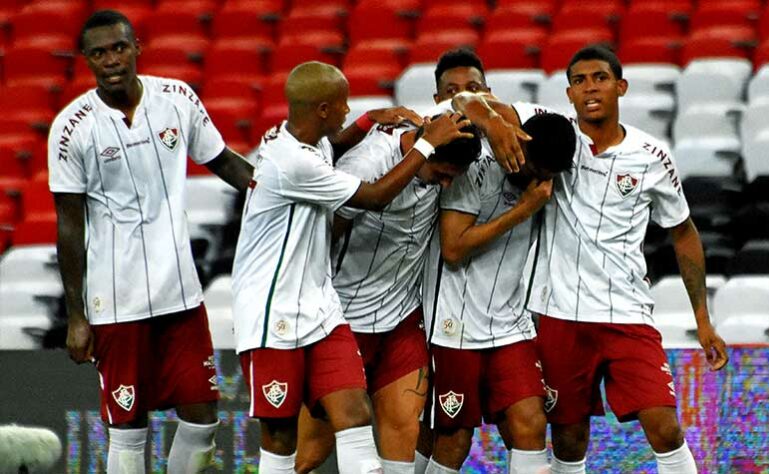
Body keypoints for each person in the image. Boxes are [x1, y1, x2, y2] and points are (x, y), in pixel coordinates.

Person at [453, 45, 730, 473]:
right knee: (568, 437)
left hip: (627, 314)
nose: (589, 88)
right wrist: (493, 123)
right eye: (579, 81)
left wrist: (703, 320)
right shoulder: (553, 131)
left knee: (664, 426)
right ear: (569, 94)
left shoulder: (652, 156)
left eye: (599, 78)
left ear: (620, 86)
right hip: (559, 313)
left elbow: (684, 233)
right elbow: (465, 99)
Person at [230, 61, 474, 473]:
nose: (446, 186)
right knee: (300, 451)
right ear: (322, 108)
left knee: (384, 427)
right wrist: (424, 147)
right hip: (295, 314)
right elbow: (373, 199)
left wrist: (368, 119)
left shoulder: (316, 144)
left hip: (378, 319)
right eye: (344, 105)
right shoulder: (310, 163)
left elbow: (337, 141)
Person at [49, 10, 255, 473]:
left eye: (119, 48)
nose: (111, 60)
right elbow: (68, 225)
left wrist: (280, 193)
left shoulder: (177, 98)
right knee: (127, 426)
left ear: (137, 46)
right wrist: (77, 314)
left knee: (203, 419)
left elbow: (224, 162)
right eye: (99, 53)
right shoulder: (71, 127)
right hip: (116, 303)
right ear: (86, 60)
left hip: (180, 293)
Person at [293, 116, 482, 474]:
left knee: (402, 444)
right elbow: (322, 235)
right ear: (423, 148)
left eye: (452, 177)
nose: (445, 184)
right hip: (345, 323)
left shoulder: (443, 149)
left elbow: (472, 100)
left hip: (402, 321)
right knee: (309, 456)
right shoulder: (367, 164)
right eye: (441, 172)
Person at [422, 112, 577, 474]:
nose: (541, 183)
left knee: (531, 423)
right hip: (455, 327)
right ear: (520, 142)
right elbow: (454, 248)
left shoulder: (543, 176)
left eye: (550, 177)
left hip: (510, 324)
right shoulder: (475, 169)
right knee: (454, 441)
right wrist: (523, 211)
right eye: (537, 170)